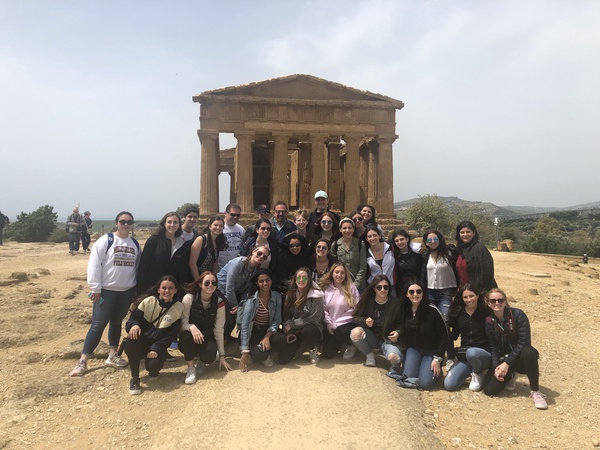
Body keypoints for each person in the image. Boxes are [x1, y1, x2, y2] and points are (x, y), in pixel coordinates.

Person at [70, 211, 141, 377]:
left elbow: (137, 268)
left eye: (129, 222)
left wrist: (135, 291)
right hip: (106, 291)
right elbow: (94, 264)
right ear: (116, 223)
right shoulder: (106, 240)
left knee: (116, 323)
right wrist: (95, 288)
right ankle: (82, 361)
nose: (126, 224)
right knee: (97, 325)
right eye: (122, 221)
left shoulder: (135, 244)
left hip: (126, 291)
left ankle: (112, 354)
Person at [482, 288, 548, 409]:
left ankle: (535, 391)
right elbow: (493, 346)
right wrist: (496, 367)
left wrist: (506, 363)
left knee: (529, 352)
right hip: (504, 361)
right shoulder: (489, 321)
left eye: (500, 300)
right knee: (489, 390)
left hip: (519, 358)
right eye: (493, 300)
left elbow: (524, 342)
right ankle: (510, 375)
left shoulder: (518, 315)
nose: (497, 303)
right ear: (488, 303)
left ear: (505, 301)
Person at [124, 275, 184, 395]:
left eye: (170, 288)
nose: (167, 291)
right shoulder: (148, 302)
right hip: (141, 341)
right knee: (132, 339)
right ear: (158, 289)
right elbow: (133, 319)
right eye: (164, 288)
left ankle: (153, 370)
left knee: (154, 366)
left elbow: (171, 334)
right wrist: (134, 325)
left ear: (175, 290)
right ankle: (135, 378)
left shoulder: (178, 308)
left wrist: (156, 348)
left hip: (157, 345)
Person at [179, 271, 232, 385]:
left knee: (209, 357)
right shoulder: (189, 298)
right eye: (207, 283)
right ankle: (191, 368)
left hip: (207, 336)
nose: (210, 285)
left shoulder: (219, 302)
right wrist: (191, 327)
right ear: (200, 284)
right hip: (190, 335)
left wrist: (222, 355)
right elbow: (183, 323)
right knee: (185, 340)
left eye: (213, 283)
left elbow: (219, 329)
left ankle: (202, 360)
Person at [399, 279, 448, 390]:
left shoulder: (433, 310)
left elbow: (444, 337)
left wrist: (438, 359)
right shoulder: (404, 309)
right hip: (414, 349)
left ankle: (432, 372)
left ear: (423, 293)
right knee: (408, 377)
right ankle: (421, 371)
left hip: (431, 351)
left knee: (426, 384)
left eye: (418, 291)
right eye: (411, 292)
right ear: (407, 294)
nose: (415, 294)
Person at [444, 284, 491, 392]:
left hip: (484, 354)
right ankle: (469, 372)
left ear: (478, 295)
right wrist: (442, 331)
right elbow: (454, 336)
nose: (469, 299)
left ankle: (478, 373)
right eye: (465, 297)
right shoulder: (458, 313)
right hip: (466, 356)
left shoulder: (486, 312)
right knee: (449, 385)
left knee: (472, 353)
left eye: (471, 296)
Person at [217, 246, 271, 340]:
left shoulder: (255, 270)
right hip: (220, 290)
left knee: (243, 316)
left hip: (234, 294)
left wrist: (240, 306)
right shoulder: (238, 263)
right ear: (253, 252)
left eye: (265, 257)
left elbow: (246, 289)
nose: (261, 257)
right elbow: (229, 286)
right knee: (229, 320)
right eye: (259, 253)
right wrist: (234, 305)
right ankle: (220, 342)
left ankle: (228, 339)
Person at [350, 275, 403, 369]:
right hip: (372, 337)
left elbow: (402, 323)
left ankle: (397, 360)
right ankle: (369, 354)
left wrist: (398, 332)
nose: (383, 290)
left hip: (389, 340)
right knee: (355, 333)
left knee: (394, 358)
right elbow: (357, 317)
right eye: (379, 287)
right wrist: (365, 321)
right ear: (374, 288)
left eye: (386, 287)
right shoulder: (368, 301)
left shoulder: (396, 303)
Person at [239, 269, 287, 371]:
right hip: (254, 331)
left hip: (268, 330)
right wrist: (245, 352)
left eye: (267, 280)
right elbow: (246, 325)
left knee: (282, 339)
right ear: (257, 283)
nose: (265, 283)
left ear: (271, 281)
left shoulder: (277, 296)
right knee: (260, 355)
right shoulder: (251, 299)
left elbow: (277, 320)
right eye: (261, 281)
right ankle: (257, 352)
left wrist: (267, 337)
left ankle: (264, 349)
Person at [281, 267, 324, 364]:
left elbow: (314, 319)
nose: (301, 280)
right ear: (295, 279)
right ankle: (303, 345)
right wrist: (288, 328)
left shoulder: (316, 295)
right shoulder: (290, 294)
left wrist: (292, 325)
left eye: (304, 278)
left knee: (308, 330)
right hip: (296, 330)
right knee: (283, 359)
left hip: (312, 328)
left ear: (309, 279)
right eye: (298, 277)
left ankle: (312, 348)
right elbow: (286, 314)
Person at [136, 211, 186, 295]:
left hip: (172, 289)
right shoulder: (154, 240)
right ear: (164, 223)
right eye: (169, 222)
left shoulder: (182, 242)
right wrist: (141, 290)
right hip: (152, 286)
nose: (172, 225)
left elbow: (183, 268)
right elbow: (144, 266)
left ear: (179, 224)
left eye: (175, 222)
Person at [319, 262, 361, 359]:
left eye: (342, 273)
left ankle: (351, 344)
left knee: (340, 332)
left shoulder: (351, 288)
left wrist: (337, 323)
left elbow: (355, 309)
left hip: (347, 324)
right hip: (330, 325)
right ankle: (340, 343)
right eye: (336, 272)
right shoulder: (325, 288)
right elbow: (324, 309)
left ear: (345, 274)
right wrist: (330, 324)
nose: (339, 275)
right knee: (327, 355)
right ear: (332, 273)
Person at [420, 230, 457, 322]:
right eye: (429, 240)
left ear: (440, 240)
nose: (433, 242)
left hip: (446, 292)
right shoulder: (425, 255)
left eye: (435, 239)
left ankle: (445, 336)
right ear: (426, 243)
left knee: (444, 319)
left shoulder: (450, 253)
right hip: (430, 292)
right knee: (430, 319)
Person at [455, 221, 497, 295]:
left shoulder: (479, 249)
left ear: (474, 233)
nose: (465, 234)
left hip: (478, 293)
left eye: (468, 232)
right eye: (462, 232)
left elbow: (487, 274)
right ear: (459, 234)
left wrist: (480, 294)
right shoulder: (459, 249)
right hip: (464, 292)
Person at [330, 217, 367, 290]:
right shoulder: (336, 245)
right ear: (340, 230)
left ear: (353, 229)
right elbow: (333, 266)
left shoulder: (360, 244)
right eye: (344, 228)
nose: (347, 230)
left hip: (358, 285)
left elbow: (363, 267)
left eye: (350, 228)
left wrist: (355, 285)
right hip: (341, 283)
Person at [188, 215, 226, 281]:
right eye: (215, 225)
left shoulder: (218, 241)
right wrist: (198, 282)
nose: (218, 227)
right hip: (195, 277)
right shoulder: (201, 240)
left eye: (221, 226)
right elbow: (192, 263)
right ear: (210, 226)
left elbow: (215, 264)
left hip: (208, 279)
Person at [391, 229, 423, 294]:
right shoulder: (393, 257)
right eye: (397, 241)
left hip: (416, 291)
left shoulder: (418, 256)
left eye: (402, 239)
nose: (399, 242)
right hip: (400, 291)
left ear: (407, 239)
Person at [217, 203, 245, 270]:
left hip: (237, 268)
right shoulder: (218, 229)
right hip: (221, 268)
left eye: (238, 215)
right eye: (232, 214)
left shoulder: (241, 229)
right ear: (225, 213)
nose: (235, 217)